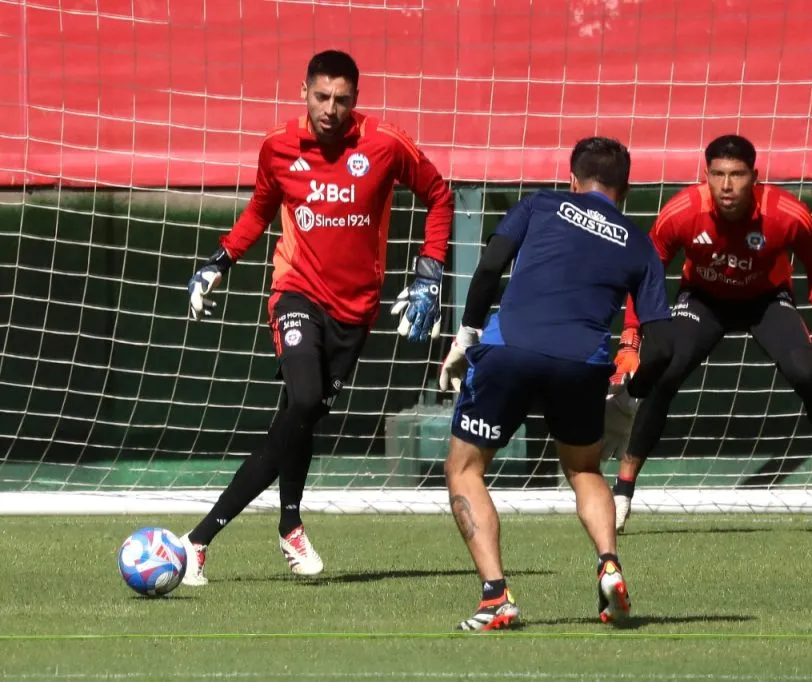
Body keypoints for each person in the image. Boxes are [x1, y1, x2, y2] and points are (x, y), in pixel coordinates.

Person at [179, 50, 454, 585]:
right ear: (303, 90)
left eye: (342, 99)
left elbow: (439, 195)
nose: (331, 109)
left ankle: (289, 523)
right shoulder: (278, 147)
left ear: (357, 100)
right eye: (321, 96)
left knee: (298, 419)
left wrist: (429, 273)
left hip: (356, 311)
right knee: (303, 401)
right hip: (296, 291)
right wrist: (219, 263)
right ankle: (197, 542)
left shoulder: (386, 144)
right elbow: (261, 209)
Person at [438, 136, 676, 631]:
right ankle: (608, 563)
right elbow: (666, 345)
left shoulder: (541, 204)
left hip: (510, 351)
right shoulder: (638, 242)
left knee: (464, 468)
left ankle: (496, 598)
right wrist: (629, 399)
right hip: (582, 365)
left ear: (572, 180)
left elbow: (488, 268)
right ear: (625, 190)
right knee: (584, 470)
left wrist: (466, 334)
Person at [606, 134, 812, 536]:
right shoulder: (682, 212)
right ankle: (622, 492)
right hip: (703, 300)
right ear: (705, 175)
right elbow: (646, 269)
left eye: (737, 175)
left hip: (766, 300)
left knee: (807, 374)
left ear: (755, 177)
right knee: (667, 373)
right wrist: (630, 338)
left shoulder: (787, 214)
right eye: (718, 175)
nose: (727, 186)